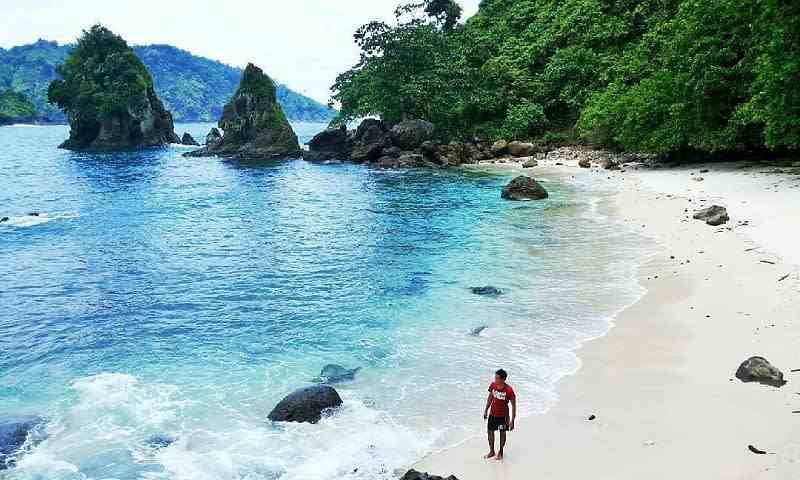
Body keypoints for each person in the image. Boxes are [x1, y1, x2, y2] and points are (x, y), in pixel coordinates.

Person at [483, 368, 516, 460]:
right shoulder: (493, 385)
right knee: (490, 432)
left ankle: (501, 452)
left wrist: (512, 420)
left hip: (503, 417)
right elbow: (490, 397)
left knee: (502, 433)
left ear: (503, 379)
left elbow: (513, 405)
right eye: (495, 377)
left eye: (497, 378)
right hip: (492, 415)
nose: (495, 380)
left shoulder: (509, 390)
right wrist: (486, 410)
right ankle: (492, 451)